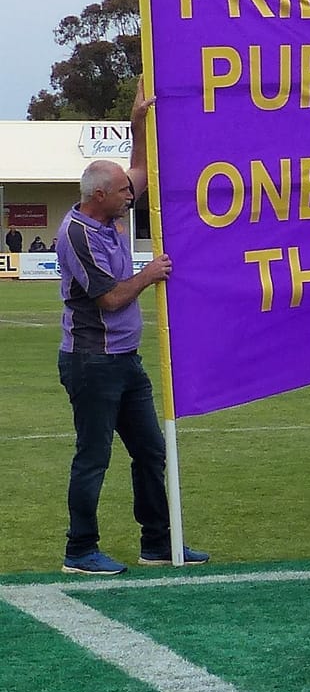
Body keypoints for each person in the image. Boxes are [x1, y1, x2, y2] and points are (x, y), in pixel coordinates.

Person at [56, 94, 206, 575]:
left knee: (150, 451)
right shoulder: (77, 235)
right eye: (123, 192)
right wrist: (150, 273)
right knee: (93, 457)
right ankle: (79, 549)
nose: (131, 195)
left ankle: (157, 543)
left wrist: (137, 121)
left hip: (125, 359)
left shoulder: (111, 212)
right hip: (92, 361)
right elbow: (110, 299)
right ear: (99, 195)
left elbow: (140, 169)